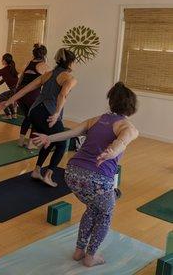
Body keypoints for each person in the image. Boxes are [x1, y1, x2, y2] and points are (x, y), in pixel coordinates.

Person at [30, 82, 138, 267]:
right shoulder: (128, 127)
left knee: (93, 209)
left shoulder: (96, 119)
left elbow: (70, 133)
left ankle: (79, 251)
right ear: (132, 106)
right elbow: (123, 141)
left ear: (111, 102)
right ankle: (90, 256)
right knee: (105, 214)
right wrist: (110, 152)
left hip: (71, 174)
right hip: (97, 179)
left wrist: (49, 138)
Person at [0, 48, 77, 187]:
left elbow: (25, 89)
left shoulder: (48, 74)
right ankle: (48, 175)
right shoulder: (70, 78)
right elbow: (62, 95)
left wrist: (7, 102)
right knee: (62, 143)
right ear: (70, 63)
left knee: (49, 140)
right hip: (48, 113)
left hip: (34, 112)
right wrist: (57, 113)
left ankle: (37, 170)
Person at [15, 44, 49, 147]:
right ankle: (30, 144)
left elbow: (20, 79)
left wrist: (16, 93)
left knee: (28, 117)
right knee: (36, 118)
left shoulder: (28, 63)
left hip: (20, 94)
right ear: (44, 54)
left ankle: (20, 142)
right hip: (32, 95)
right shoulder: (44, 66)